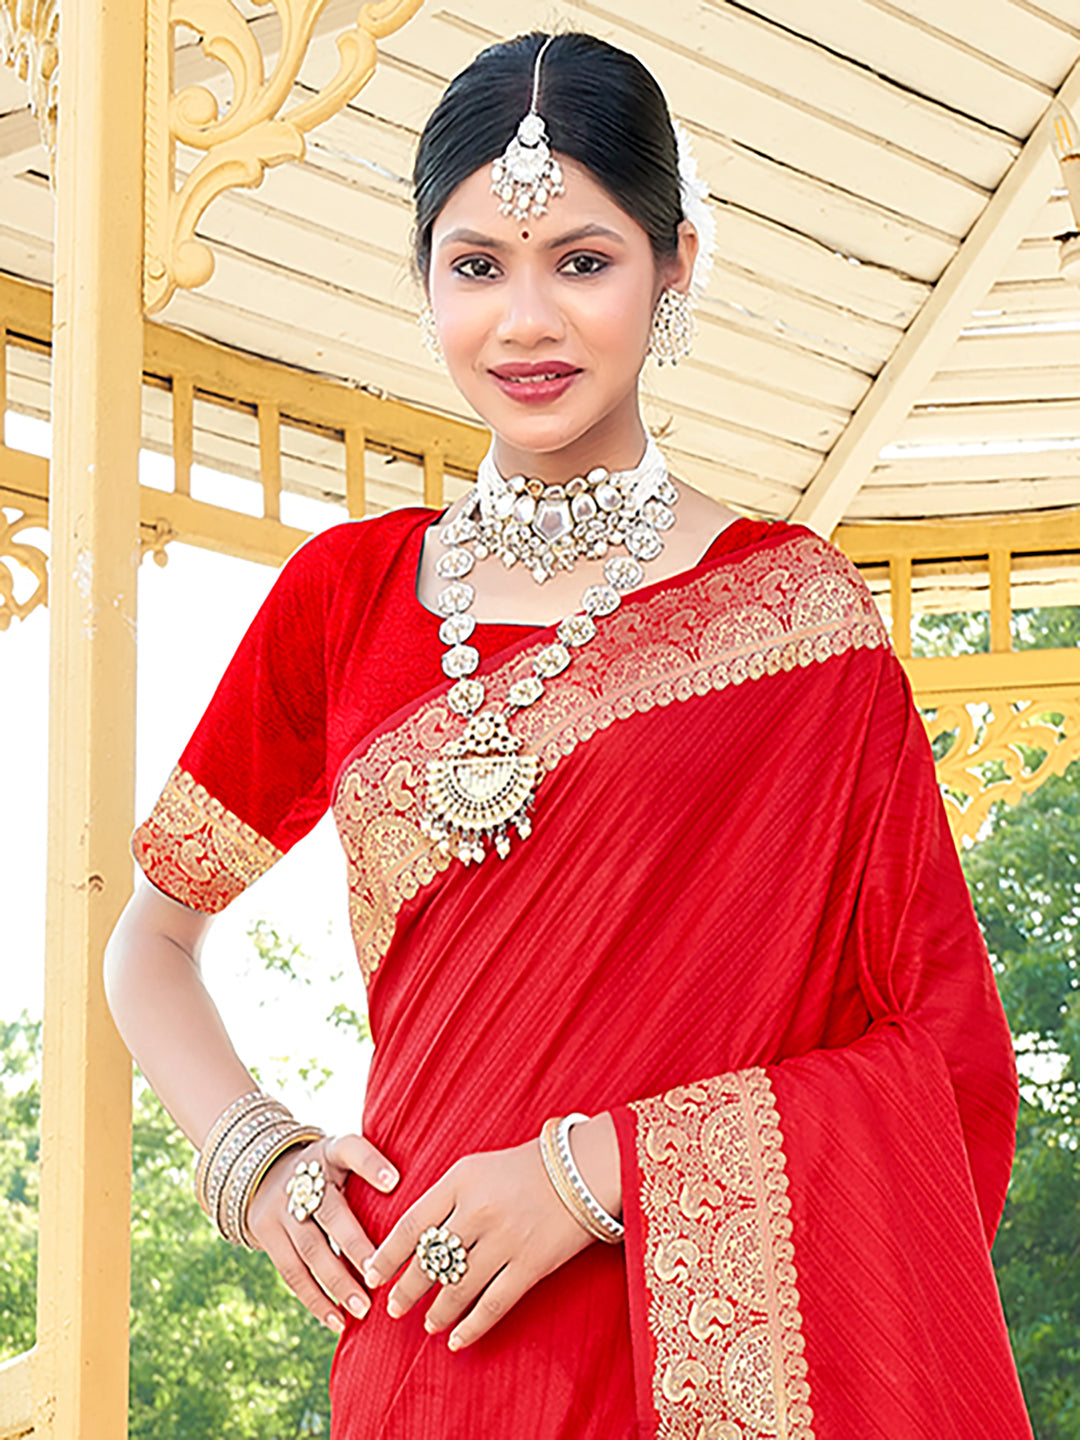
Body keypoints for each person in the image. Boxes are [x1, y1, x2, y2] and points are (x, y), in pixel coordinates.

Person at [104, 29, 1033, 1440]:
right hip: (429, 1349)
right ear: (424, 282)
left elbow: (946, 1059)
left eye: (581, 261)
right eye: (478, 265)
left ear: (677, 263)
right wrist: (261, 1161)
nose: (525, 322)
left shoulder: (796, 616)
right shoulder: (345, 600)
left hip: (690, 1363)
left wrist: (602, 1169)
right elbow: (148, 939)